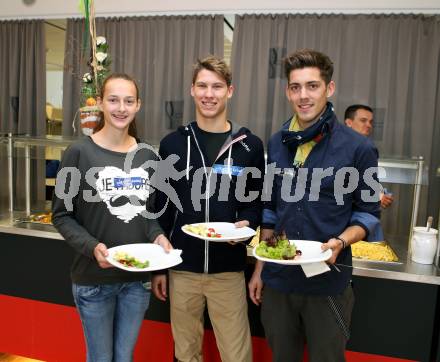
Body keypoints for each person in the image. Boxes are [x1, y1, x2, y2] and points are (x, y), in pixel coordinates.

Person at [249, 49, 381, 362]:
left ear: (329, 89)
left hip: (328, 282)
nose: (303, 95)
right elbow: (270, 208)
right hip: (279, 282)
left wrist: (340, 241)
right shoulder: (276, 142)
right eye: (296, 87)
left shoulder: (359, 147)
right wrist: (260, 268)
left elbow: (368, 214)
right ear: (287, 91)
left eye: (312, 86)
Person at [151, 56, 265, 362]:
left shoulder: (249, 146)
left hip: (228, 270)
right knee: (185, 354)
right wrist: (161, 267)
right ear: (192, 90)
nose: (208, 93)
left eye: (217, 86)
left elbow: (255, 205)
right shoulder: (172, 144)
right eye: (202, 85)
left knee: (237, 356)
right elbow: (161, 208)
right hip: (181, 269)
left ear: (230, 91)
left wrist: (246, 227)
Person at [52, 73, 172, 362]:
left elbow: (149, 215)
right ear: (101, 104)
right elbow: (62, 215)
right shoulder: (79, 152)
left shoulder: (148, 157)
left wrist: (158, 237)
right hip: (94, 279)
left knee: (124, 358)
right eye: (114, 100)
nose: (121, 108)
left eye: (128, 101)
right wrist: (92, 246)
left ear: (138, 105)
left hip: (136, 282)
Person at [344, 104, 394, 209]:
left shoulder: (365, 147)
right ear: (349, 123)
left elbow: (365, 180)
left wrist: (379, 195)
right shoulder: (340, 146)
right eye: (363, 120)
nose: (369, 125)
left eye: (370, 122)